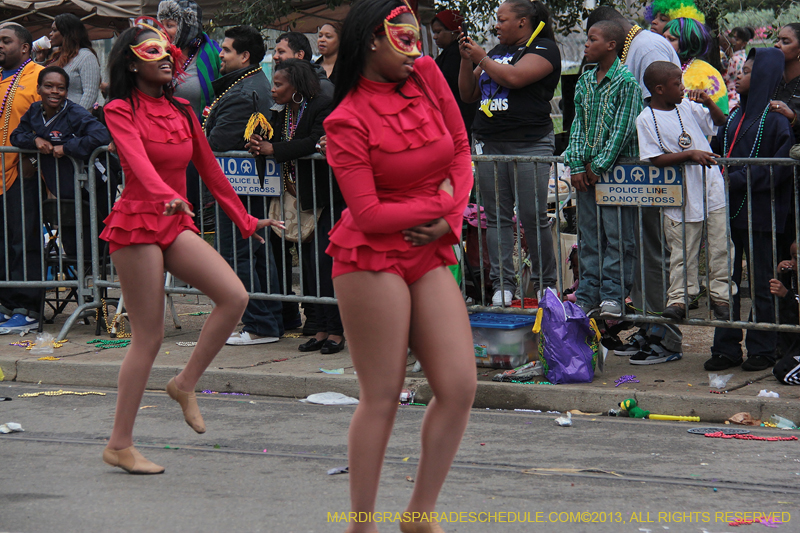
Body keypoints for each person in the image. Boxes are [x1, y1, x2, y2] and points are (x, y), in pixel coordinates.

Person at [99, 20, 283, 474]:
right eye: (150, 50)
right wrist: (163, 194)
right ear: (130, 61)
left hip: (175, 220)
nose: (165, 55)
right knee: (149, 336)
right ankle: (119, 444)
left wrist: (243, 218)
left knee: (234, 296)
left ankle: (184, 383)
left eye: (168, 50)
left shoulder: (182, 109)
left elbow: (211, 170)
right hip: (139, 221)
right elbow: (137, 161)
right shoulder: (121, 109)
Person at [325, 0, 475, 531]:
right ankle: (361, 523)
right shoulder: (344, 119)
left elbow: (461, 150)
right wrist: (441, 207)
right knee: (383, 395)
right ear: (371, 41)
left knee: (459, 386)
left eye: (418, 39)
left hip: (430, 246)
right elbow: (367, 214)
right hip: (370, 257)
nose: (417, 50)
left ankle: (419, 513)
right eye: (404, 39)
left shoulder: (428, 75)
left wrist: (450, 221)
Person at [587, 6, 684, 363]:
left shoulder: (647, 47)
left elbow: (667, 104)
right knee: (642, 250)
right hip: (637, 170)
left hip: (655, 167)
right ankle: (648, 326)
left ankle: (665, 336)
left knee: (654, 250)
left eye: (593, 39)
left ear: (612, 35)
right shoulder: (634, 47)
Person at [458, 0, 561, 306]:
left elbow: (515, 77)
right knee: (497, 217)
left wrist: (482, 59)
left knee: (532, 216)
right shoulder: (495, 52)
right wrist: (468, 60)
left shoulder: (544, 48)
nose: (496, 25)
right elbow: (467, 93)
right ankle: (502, 284)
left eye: (502, 20)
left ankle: (546, 283)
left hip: (529, 142)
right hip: (491, 143)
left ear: (522, 22)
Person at [705, 48, 795, 373]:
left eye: (745, 71)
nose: (737, 76)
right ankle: (726, 347)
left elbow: (781, 166)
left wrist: (738, 179)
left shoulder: (776, 120)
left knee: (761, 284)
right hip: (728, 215)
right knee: (725, 282)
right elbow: (717, 148)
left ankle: (763, 347)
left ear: (764, 77)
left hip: (762, 216)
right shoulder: (733, 116)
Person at [247, 59, 344, 353]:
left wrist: (273, 149)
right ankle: (320, 328)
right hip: (298, 196)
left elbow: (316, 141)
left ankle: (337, 332)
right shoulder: (282, 111)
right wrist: (258, 141)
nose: (272, 90)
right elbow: (277, 140)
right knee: (311, 267)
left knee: (323, 262)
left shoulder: (321, 105)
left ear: (297, 86)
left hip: (326, 196)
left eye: (278, 85)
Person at [635, 62, 732, 348]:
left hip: (710, 188)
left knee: (720, 244)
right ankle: (680, 298)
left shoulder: (687, 107)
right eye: (677, 83)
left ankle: (721, 297)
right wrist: (690, 154)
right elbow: (654, 158)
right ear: (659, 89)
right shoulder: (646, 119)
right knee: (682, 249)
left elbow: (719, 120)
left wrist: (709, 102)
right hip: (680, 195)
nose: (683, 88)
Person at [202, 25, 285, 347]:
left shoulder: (244, 91)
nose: (220, 55)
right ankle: (269, 320)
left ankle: (261, 324)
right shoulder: (245, 85)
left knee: (238, 254)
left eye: (226, 50)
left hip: (239, 187)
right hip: (245, 186)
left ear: (245, 56)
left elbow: (218, 141)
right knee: (253, 253)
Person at [563, 21, 642, 319]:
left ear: (611, 45)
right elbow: (578, 125)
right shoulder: (584, 81)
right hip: (587, 172)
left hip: (615, 172)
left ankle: (614, 293)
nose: (586, 44)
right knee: (589, 235)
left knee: (619, 236)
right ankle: (587, 292)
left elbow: (622, 130)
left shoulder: (627, 83)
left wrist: (598, 166)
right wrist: (577, 164)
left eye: (592, 39)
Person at [10, 66, 110, 257]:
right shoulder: (34, 111)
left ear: (66, 91)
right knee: (72, 249)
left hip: (91, 187)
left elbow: (101, 135)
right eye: (48, 86)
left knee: (94, 253)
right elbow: (16, 136)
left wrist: (66, 148)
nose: (54, 92)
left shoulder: (74, 112)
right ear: (38, 89)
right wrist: (34, 141)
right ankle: (77, 287)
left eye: (60, 88)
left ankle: (95, 286)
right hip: (62, 190)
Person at [0, 23, 44, 333]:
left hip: (23, 171)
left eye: (5, 40)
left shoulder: (39, 75)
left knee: (23, 239)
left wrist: (31, 156)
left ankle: (27, 308)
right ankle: (5, 305)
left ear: (25, 48)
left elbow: (49, 117)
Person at [157, 0, 222, 118]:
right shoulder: (155, 56)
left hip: (201, 132)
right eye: (161, 24)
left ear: (187, 27)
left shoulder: (216, 56)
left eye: (169, 25)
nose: (162, 30)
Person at [663, 18, 729, 114]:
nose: (664, 43)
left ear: (688, 43)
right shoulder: (659, 67)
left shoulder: (708, 74)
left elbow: (721, 118)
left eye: (671, 39)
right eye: (663, 37)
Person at [431, 9, 477, 137]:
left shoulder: (456, 54)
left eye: (438, 32)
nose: (435, 37)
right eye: (434, 32)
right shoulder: (449, 53)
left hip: (460, 117)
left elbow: (445, 85)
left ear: (454, 31)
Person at [48, 13, 100, 110]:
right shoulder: (58, 56)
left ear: (66, 33)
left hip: (74, 119)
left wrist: (77, 117)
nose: (50, 34)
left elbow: (90, 93)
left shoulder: (86, 57)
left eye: (54, 30)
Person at [769, 242, 800, 385]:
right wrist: (781, 276)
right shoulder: (794, 278)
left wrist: (786, 295)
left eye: (796, 258)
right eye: (791, 258)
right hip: (794, 346)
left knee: (785, 373)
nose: (792, 263)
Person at [273, 31, 334, 99]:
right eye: (275, 52)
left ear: (300, 55)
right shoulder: (286, 85)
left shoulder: (321, 87)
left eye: (281, 52)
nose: (275, 56)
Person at [771, 24, 800, 141]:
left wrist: (793, 117)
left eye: (785, 42)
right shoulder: (771, 79)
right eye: (777, 40)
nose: (777, 45)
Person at [722, 27, 753, 109]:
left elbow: (723, 78)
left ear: (744, 43)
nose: (732, 41)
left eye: (736, 39)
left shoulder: (735, 60)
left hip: (731, 97)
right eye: (731, 37)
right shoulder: (743, 57)